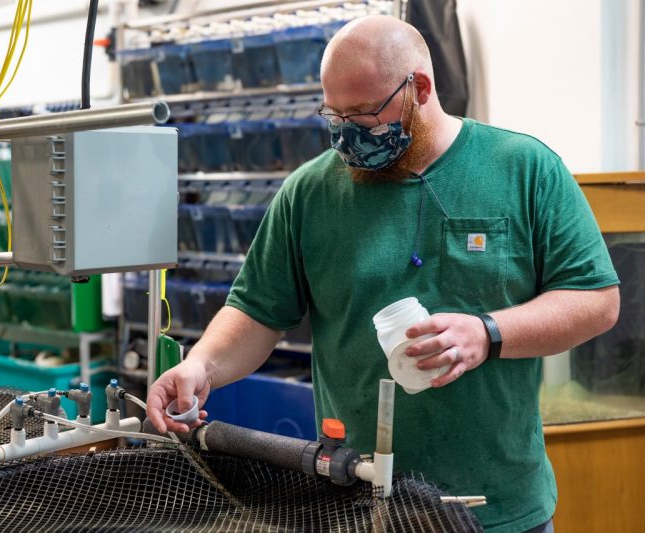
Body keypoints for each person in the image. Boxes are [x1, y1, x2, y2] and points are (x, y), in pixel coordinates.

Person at [146, 14, 620, 533]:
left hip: (498, 506)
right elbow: (258, 310)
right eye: (334, 114)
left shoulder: (523, 168)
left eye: (365, 113)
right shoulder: (309, 194)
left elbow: (595, 299)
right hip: (356, 505)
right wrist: (202, 367)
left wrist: (487, 332)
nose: (347, 133)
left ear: (419, 87)